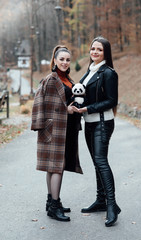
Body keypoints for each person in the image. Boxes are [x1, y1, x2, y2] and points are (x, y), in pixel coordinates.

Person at [31, 45, 83, 222]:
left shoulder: (67, 78)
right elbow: (40, 103)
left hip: (65, 129)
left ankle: (51, 201)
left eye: (68, 59)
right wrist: (66, 111)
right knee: (56, 167)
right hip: (54, 129)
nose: (65, 62)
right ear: (54, 60)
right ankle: (54, 205)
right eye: (61, 59)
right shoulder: (51, 79)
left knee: (53, 167)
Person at [73, 36, 121, 227]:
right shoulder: (90, 71)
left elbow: (112, 101)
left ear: (105, 52)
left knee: (101, 162)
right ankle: (101, 200)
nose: (94, 52)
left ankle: (112, 205)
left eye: (99, 50)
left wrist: (88, 109)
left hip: (102, 122)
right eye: (93, 48)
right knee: (96, 163)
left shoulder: (108, 73)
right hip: (90, 123)